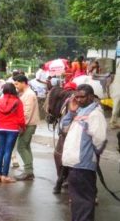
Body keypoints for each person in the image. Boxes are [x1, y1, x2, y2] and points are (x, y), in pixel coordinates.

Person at [61, 84, 107, 221]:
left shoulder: (95, 114)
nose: (79, 100)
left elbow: (100, 140)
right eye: (77, 97)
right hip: (74, 165)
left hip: (83, 166)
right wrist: (71, 112)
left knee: (83, 204)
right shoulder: (80, 112)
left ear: (91, 97)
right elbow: (64, 129)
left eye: (82, 97)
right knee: (77, 204)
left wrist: (90, 156)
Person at [0, 83, 26, 183]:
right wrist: (23, 127)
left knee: (0, 151)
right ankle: (5, 176)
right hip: (12, 129)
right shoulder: (17, 101)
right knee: (8, 151)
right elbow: (21, 117)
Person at [14, 75, 40, 181]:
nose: (16, 86)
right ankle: (29, 171)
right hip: (28, 124)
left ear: (23, 83)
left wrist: (21, 126)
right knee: (26, 147)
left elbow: (26, 112)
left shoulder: (29, 94)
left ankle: (28, 171)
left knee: (21, 147)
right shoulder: (26, 93)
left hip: (27, 124)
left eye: (17, 83)